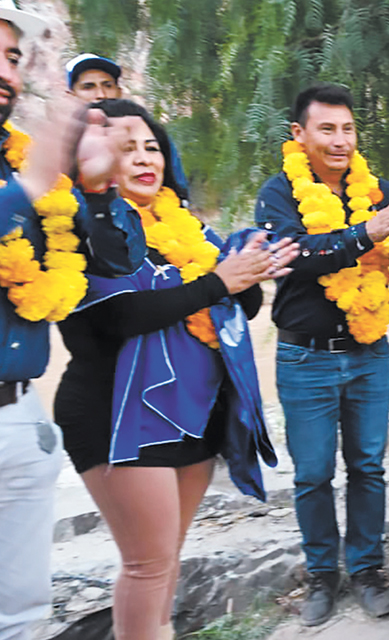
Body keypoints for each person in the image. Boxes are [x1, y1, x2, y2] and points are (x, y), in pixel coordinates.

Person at [54, 98, 295, 640]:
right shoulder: (84, 230)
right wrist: (219, 282)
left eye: (152, 147)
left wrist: (248, 270)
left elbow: (239, 308)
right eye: (125, 146)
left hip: (193, 417)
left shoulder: (188, 229)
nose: (144, 158)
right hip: (117, 417)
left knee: (165, 559)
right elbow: (119, 318)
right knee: (147, 564)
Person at [255, 82, 389, 626]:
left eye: (347, 128)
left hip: (369, 353)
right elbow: (294, 257)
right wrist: (364, 232)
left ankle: (367, 570)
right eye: (327, 129)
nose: (340, 140)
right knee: (311, 474)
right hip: (305, 359)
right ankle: (321, 578)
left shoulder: (377, 189)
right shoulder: (278, 193)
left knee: (368, 467)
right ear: (299, 134)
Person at [0, 2, 149, 637]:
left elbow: (114, 262)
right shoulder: (24, 183)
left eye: (11, 57)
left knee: (23, 618)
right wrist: (30, 190)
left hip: (17, 420)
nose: (6, 70)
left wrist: (92, 191)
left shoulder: (21, 169)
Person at [65, 53, 190, 197]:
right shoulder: (56, 146)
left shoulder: (150, 133)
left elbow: (177, 189)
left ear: (119, 91)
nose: (100, 94)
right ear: (71, 96)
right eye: (88, 87)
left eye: (108, 85)